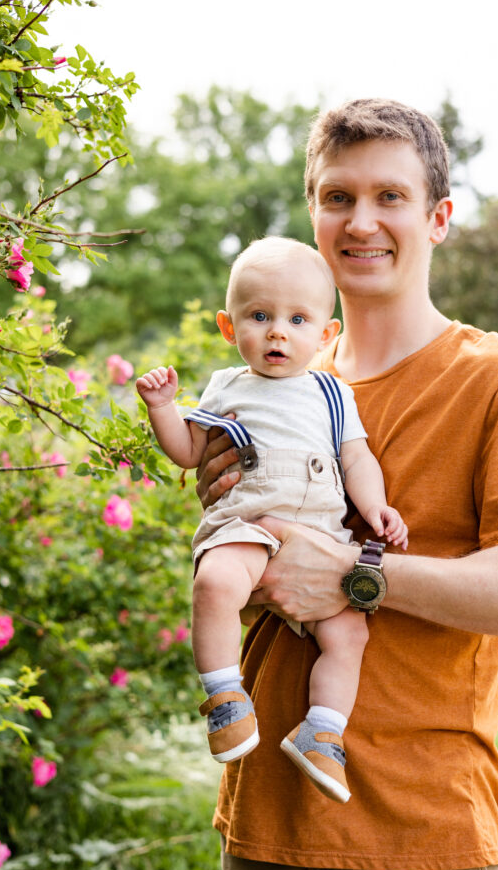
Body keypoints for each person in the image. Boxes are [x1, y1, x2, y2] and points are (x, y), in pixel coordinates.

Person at [196, 99, 498, 870]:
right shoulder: (265, 387)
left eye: (390, 196)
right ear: (312, 211)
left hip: (418, 853)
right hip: (263, 833)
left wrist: (355, 575)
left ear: (438, 218)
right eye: (337, 197)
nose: (361, 221)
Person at [136, 236, 407, 805]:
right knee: (214, 583)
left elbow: (356, 457)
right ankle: (225, 699)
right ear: (229, 328)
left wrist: (377, 507)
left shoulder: (333, 394)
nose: (278, 332)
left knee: (349, 634)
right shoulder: (228, 386)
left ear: (325, 334)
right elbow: (190, 452)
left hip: (321, 538)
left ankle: (322, 730)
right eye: (259, 317)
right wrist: (163, 409)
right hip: (249, 524)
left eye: (297, 319)